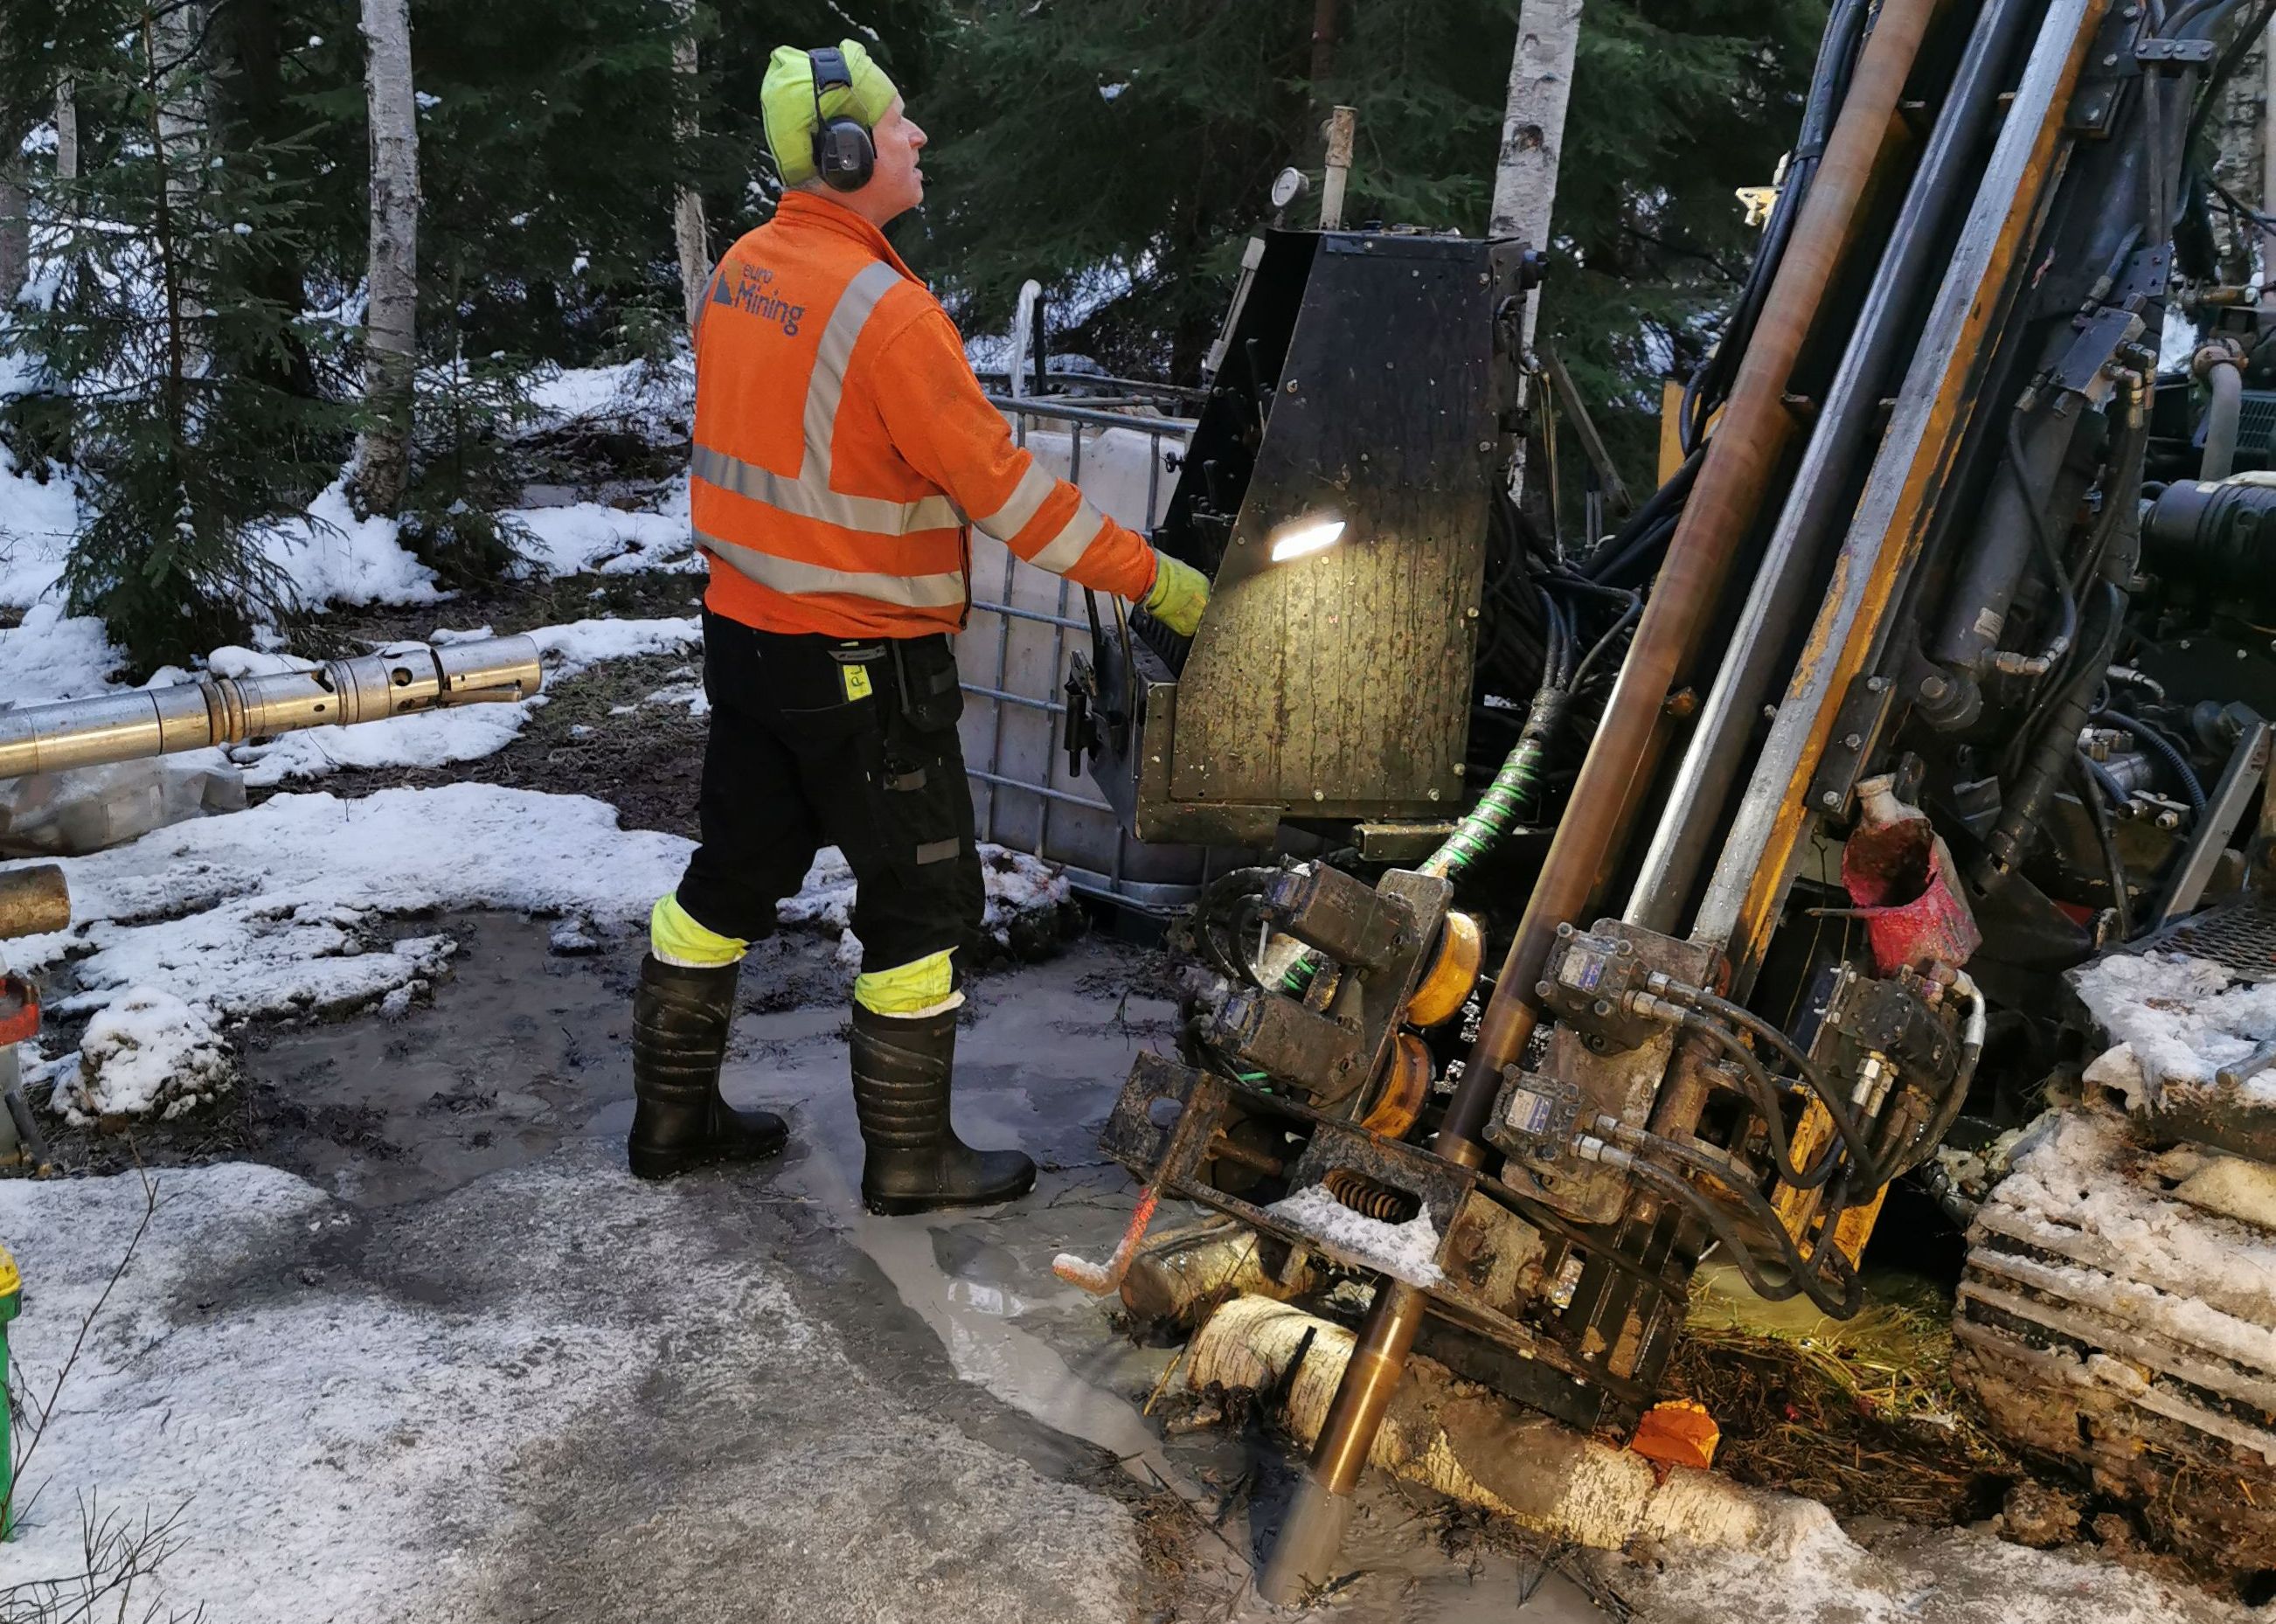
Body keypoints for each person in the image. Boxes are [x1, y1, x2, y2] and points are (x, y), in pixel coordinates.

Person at [628, 39, 1211, 1214]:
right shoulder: (887, 316)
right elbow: (1010, 496)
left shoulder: (742, 269)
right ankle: (909, 1159)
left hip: (746, 641)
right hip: (863, 667)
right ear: (844, 154)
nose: (918, 138)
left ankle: (669, 1124)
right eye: (899, 125)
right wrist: (1154, 577)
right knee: (922, 904)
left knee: (728, 877)